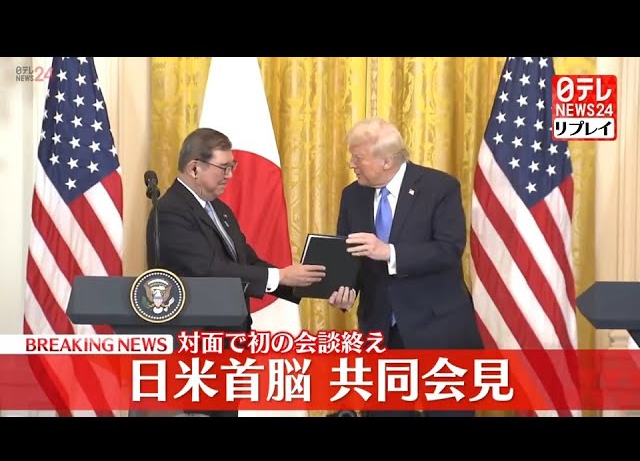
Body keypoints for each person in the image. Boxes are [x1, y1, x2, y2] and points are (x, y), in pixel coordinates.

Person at [144, 127, 326, 417]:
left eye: (233, 167)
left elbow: (248, 261)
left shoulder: (221, 210)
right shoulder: (169, 211)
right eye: (224, 167)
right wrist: (280, 276)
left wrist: (310, 283)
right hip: (197, 345)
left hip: (230, 342)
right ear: (194, 168)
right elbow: (207, 270)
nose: (230, 175)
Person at [328, 117, 484, 417]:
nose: (351, 164)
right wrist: (344, 289)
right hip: (381, 330)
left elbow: (449, 250)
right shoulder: (353, 195)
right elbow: (349, 256)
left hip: (439, 328)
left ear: (386, 161)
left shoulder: (439, 188)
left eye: (358, 158)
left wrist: (389, 252)